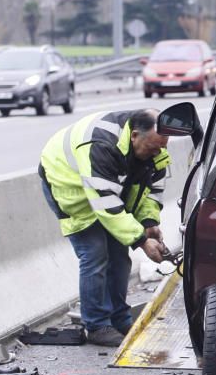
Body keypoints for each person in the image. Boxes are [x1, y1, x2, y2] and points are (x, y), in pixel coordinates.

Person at [39, 109, 171, 346]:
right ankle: (97, 325)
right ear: (134, 136)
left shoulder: (154, 147)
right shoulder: (101, 145)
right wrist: (141, 241)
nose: (157, 153)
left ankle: (119, 319)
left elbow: (152, 189)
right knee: (95, 252)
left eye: (161, 147)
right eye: (152, 148)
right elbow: (106, 204)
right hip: (69, 186)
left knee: (119, 254)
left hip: (103, 188)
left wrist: (149, 223)